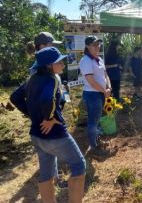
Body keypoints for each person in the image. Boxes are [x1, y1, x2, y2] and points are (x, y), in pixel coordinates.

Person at [10, 47, 86, 202]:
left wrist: (32, 114)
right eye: (60, 62)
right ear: (49, 65)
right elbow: (46, 100)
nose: (63, 65)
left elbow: (15, 97)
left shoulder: (32, 79)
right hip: (55, 135)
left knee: (46, 173)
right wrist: (49, 118)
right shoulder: (51, 79)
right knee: (79, 164)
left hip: (37, 135)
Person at [79, 35, 111, 156]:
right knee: (93, 121)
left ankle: (96, 140)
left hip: (100, 93)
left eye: (98, 44)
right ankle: (94, 147)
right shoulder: (86, 60)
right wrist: (104, 91)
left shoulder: (99, 59)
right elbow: (91, 81)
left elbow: (105, 75)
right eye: (94, 44)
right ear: (87, 46)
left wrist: (109, 87)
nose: (97, 47)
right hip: (92, 95)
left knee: (96, 119)